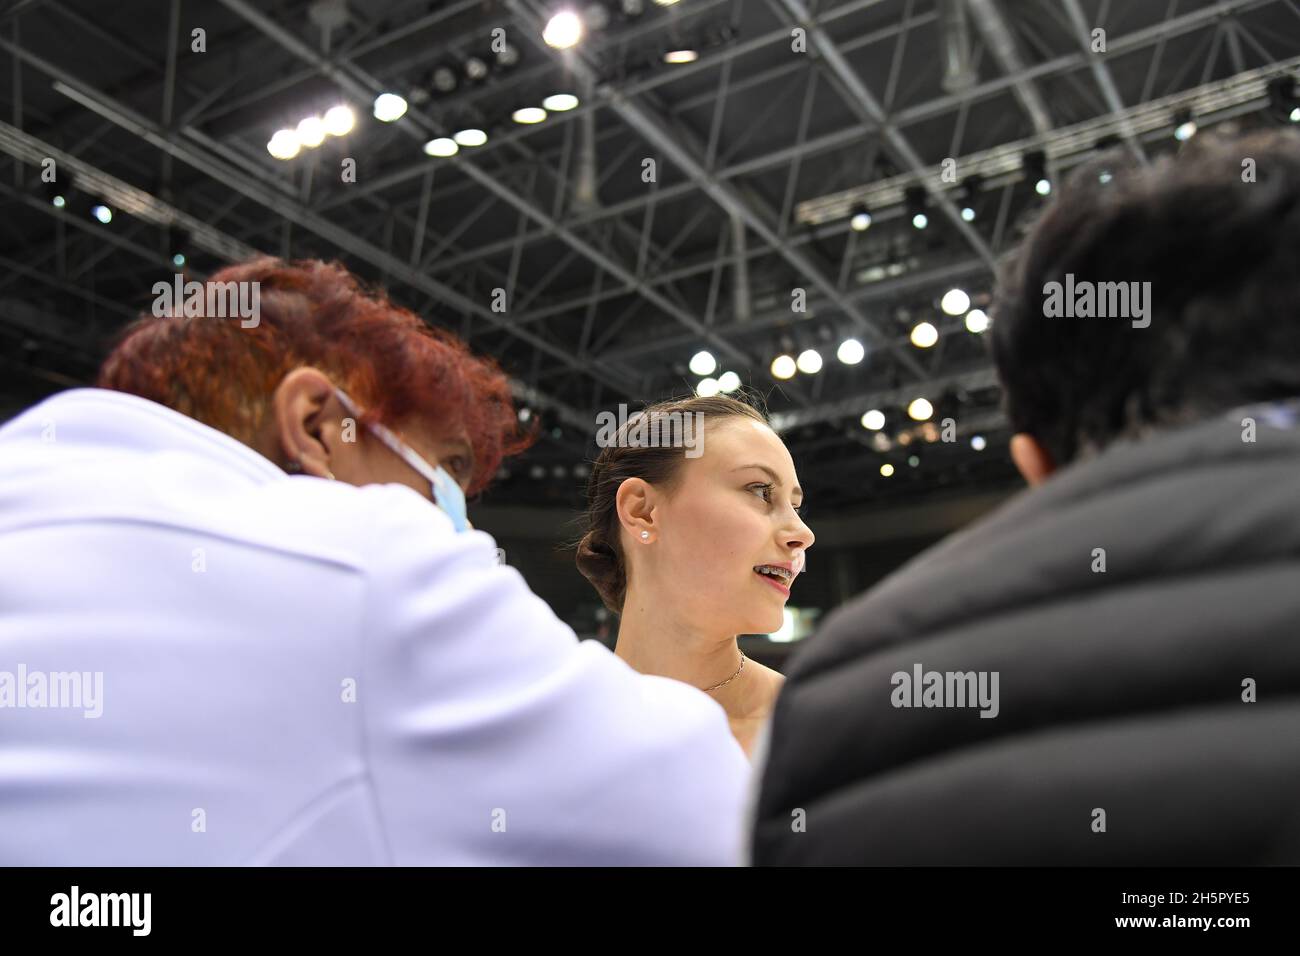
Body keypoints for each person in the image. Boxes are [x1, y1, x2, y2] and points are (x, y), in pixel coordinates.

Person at [0, 257, 750, 865]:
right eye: (446, 471)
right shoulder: (358, 562)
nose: (454, 512)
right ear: (319, 428)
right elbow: (711, 815)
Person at [752, 128, 1300, 864]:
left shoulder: (831, 705)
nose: (799, 533)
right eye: (761, 495)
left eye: (791, 499)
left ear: (1033, 461)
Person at [575, 394, 815, 758]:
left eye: (795, 506)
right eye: (760, 491)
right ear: (642, 511)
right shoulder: (550, 730)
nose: (803, 533)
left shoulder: (816, 730)